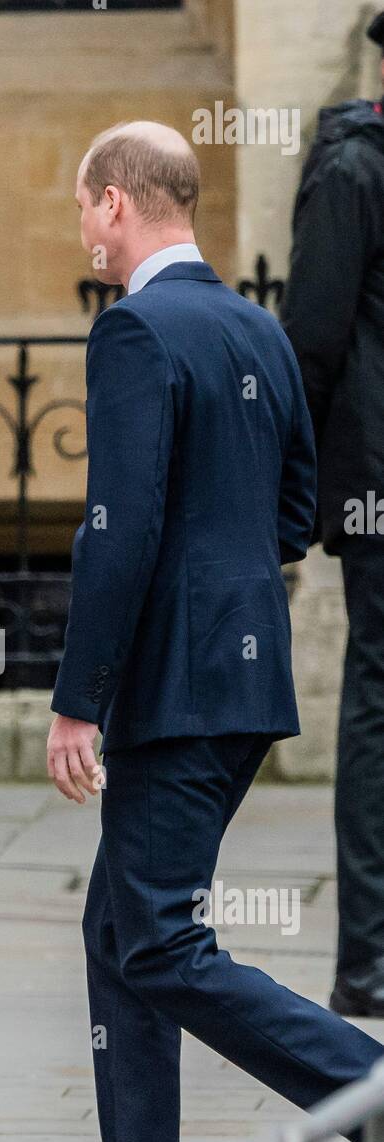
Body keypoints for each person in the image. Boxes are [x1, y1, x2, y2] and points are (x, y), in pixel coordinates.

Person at [11, 121, 384, 1142]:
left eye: (83, 207)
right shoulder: (258, 326)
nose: (82, 230)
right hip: (242, 673)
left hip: (172, 687)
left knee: (158, 938)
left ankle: (363, 1093)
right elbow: (292, 512)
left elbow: (112, 535)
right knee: (119, 927)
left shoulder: (132, 329)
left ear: (117, 203)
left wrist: (80, 700)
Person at [281, 10, 384, 1020]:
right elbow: (308, 337)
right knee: (377, 697)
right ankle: (367, 956)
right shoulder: (353, 165)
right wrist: (290, 492)